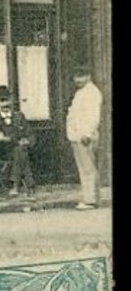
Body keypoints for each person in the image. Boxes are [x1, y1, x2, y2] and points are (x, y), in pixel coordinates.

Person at [65, 69, 103, 209]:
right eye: (76, 76)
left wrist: (86, 133)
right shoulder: (82, 92)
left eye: (81, 76)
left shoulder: (91, 93)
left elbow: (93, 116)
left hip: (84, 136)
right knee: (86, 167)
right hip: (78, 135)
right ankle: (91, 198)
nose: (77, 80)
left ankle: (90, 200)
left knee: (87, 168)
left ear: (89, 76)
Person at [0, 86, 35, 197]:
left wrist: (27, 141)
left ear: (11, 100)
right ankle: (28, 184)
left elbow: (31, 134)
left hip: (20, 148)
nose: (5, 104)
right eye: (1, 101)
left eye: (7, 100)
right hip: (2, 150)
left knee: (20, 151)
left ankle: (15, 185)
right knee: (20, 152)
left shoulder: (19, 116)